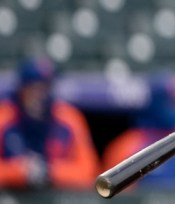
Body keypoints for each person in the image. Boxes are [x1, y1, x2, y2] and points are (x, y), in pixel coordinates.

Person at [0, 56, 100, 189]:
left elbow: (90, 171)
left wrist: (50, 171)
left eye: (45, 87)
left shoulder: (68, 117)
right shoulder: (5, 116)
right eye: (32, 87)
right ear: (21, 88)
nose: (39, 95)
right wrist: (20, 172)